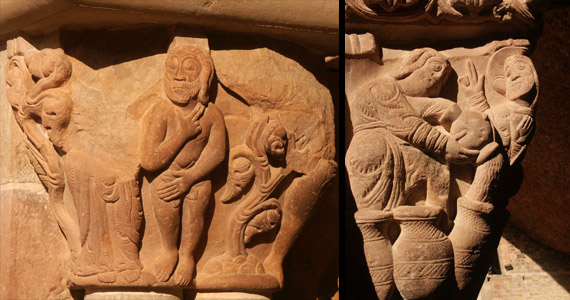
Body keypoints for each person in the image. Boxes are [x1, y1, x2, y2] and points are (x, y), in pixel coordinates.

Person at [139, 43, 226, 285]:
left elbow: (217, 153)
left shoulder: (212, 114)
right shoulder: (162, 111)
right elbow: (149, 160)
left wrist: (190, 177)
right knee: (163, 187)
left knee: (199, 194)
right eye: (173, 68)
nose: (178, 75)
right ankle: (169, 250)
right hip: (168, 175)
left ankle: (187, 255)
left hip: (195, 176)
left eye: (189, 68)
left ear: (204, 77)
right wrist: (183, 134)